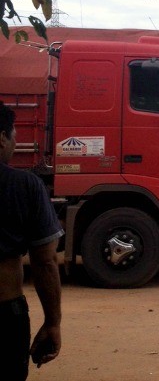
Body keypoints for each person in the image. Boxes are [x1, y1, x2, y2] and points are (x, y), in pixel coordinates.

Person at [0, 101, 64, 380]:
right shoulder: (23, 186)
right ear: (1, 138)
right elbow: (45, 261)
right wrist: (53, 323)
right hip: (4, 313)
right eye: (14, 135)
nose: (16, 143)